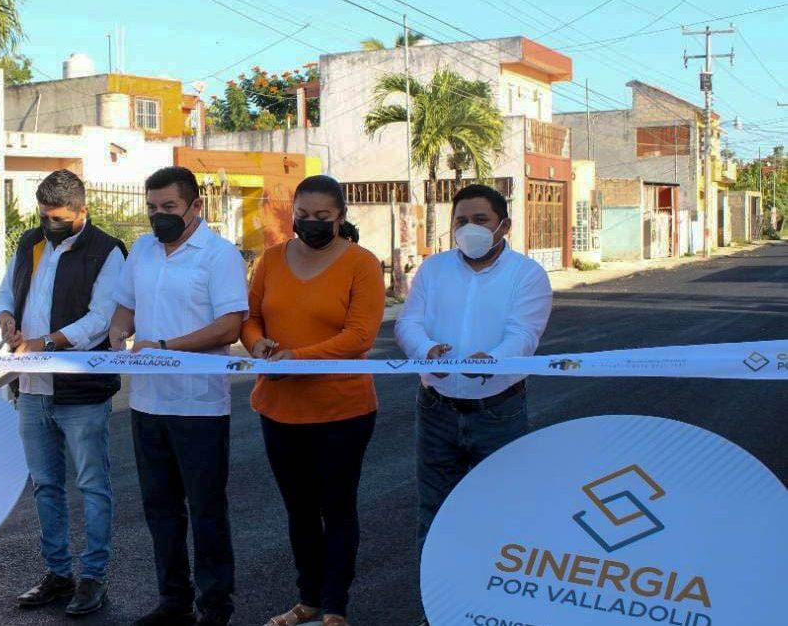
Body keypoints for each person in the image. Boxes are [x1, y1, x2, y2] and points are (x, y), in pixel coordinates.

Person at [395, 184, 552, 626]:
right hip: (436, 409)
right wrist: (427, 352)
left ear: (505, 225)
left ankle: (495, 610)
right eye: (461, 221)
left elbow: (525, 332)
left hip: (498, 411)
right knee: (435, 514)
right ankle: (439, 608)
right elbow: (409, 322)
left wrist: (497, 359)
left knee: (499, 513)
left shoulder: (527, 274)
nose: (469, 229)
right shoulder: (433, 270)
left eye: (480, 220)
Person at [241, 175, 386, 626]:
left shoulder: (362, 264)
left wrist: (296, 357)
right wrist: (259, 345)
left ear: (340, 217)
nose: (311, 224)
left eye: (322, 217)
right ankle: (308, 599)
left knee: (337, 507)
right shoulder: (270, 259)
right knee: (299, 510)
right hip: (279, 407)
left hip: (342, 409)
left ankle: (336, 604)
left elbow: (360, 336)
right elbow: (251, 318)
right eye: (301, 216)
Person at [108, 166, 248, 626]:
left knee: (206, 510)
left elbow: (230, 325)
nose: (158, 216)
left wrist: (166, 348)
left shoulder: (219, 255)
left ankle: (215, 607)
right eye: (151, 207)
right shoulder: (144, 250)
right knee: (160, 511)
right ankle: (174, 601)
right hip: (147, 405)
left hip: (199, 407)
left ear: (195, 207)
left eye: (169, 207)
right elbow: (126, 305)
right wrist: (118, 331)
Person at [0, 169, 126, 616]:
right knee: (46, 486)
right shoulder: (30, 242)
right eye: (44, 215)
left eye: (58, 217)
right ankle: (58, 573)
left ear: (82, 211)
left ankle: (93, 579)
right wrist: (7, 318)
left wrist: (46, 343)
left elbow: (100, 321)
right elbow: (4, 292)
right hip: (31, 388)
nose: (50, 224)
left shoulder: (108, 251)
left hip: (81, 392)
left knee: (92, 486)